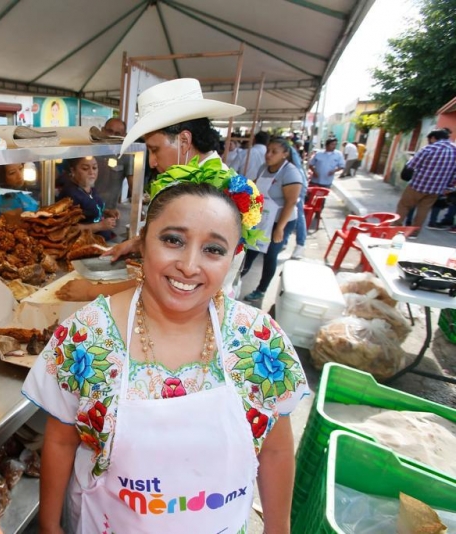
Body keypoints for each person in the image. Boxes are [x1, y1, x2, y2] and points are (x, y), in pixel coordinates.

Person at [24, 82, 307, 533]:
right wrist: (51, 526)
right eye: (172, 240)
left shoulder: (260, 344)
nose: (189, 266)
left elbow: (274, 449)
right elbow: (60, 440)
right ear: (145, 244)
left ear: (234, 256)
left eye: (213, 250)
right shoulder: (87, 338)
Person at [56, 79, 248, 303]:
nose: (153, 162)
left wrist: (93, 292)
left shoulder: (211, 196)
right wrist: (136, 243)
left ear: (184, 141)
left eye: (155, 150)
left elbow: (178, 278)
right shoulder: (193, 181)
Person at [241, 138, 304, 302]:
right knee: (252, 249)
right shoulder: (264, 168)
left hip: (281, 221)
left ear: (285, 154)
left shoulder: (290, 173)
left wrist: (280, 228)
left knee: (270, 255)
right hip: (264, 218)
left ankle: (261, 290)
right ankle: (238, 278)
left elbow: (291, 202)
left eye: (274, 152)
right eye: (268, 151)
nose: (268, 155)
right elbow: (254, 188)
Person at [395, 128, 456, 232]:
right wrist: (449, 187)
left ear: (433, 138)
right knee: (423, 210)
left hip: (418, 185)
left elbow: (411, 165)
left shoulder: (428, 149)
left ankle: (395, 228)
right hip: (436, 189)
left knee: (404, 205)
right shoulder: (454, 150)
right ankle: (413, 232)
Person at [57, 157, 118, 241]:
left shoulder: (89, 187)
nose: (91, 172)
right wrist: (99, 226)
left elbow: (88, 211)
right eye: (85, 168)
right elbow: (68, 228)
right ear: (73, 170)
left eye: (94, 168)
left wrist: (106, 212)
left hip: (103, 240)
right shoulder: (70, 194)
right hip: (85, 244)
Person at [94, 118, 133, 209]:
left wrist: (139, 211)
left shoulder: (126, 155)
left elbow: (133, 185)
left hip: (110, 211)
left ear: (124, 136)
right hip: (86, 210)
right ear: (102, 130)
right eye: (109, 131)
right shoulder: (91, 150)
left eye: (117, 134)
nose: (112, 136)